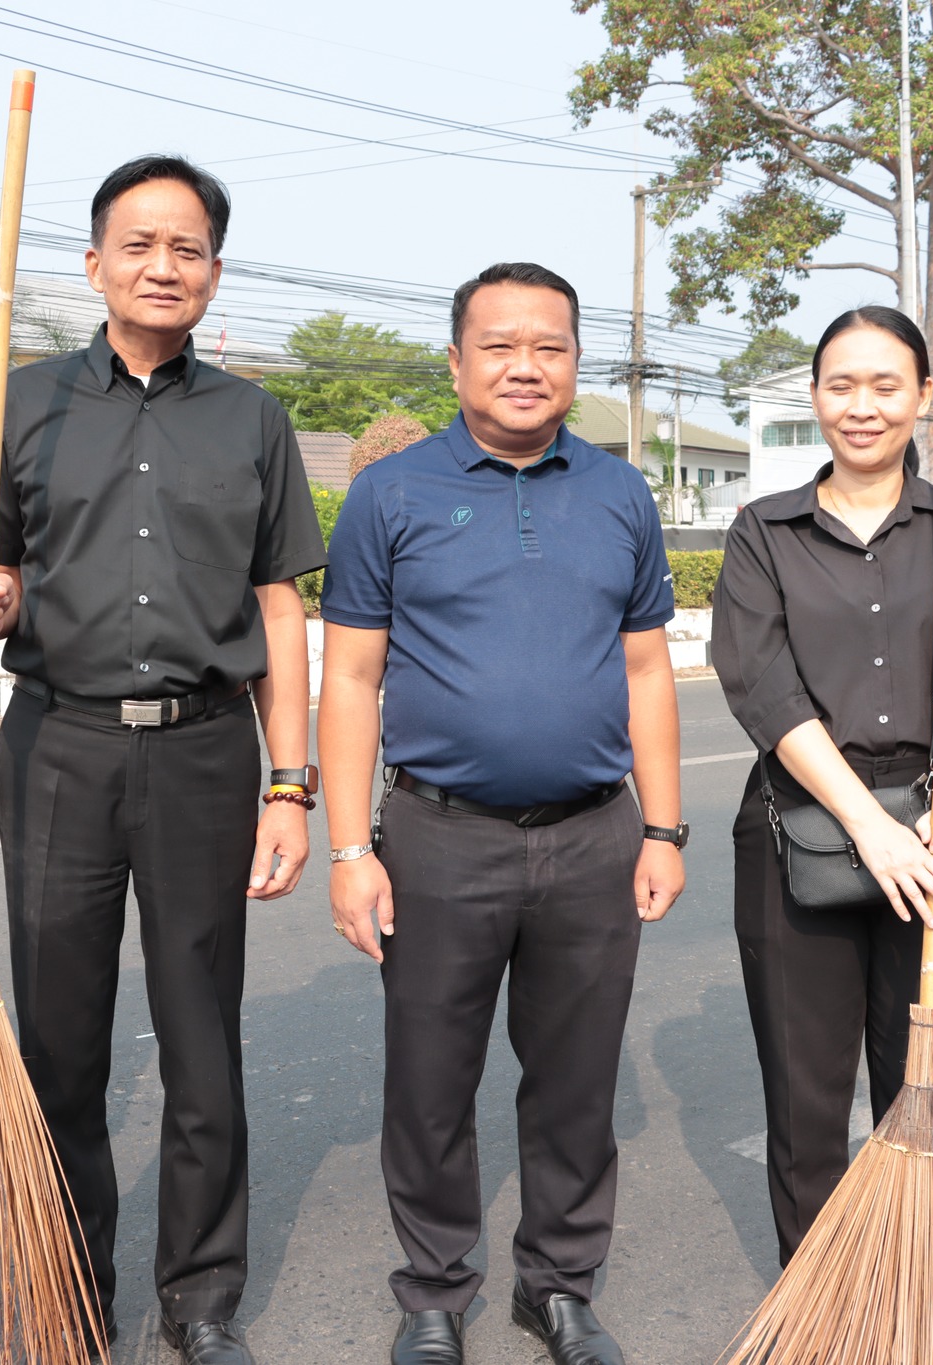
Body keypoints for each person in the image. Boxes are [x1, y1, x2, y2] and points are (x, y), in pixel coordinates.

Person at [0, 154, 325, 1365]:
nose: (164, 266)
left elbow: (278, 611)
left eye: (187, 247)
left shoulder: (252, 420)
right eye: (140, 244)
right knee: (59, 1039)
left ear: (213, 270)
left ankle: (200, 1300)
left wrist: (289, 782)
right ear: (95, 262)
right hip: (57, 745)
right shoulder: (24, 401)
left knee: (202, 1038)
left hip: (207, 752)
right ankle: (70, 1286)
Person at [317, 263, 686, 1365]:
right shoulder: (391, 494)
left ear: (574, 362)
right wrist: (350, 848)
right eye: (499, 346)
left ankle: (558, 1285)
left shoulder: (620, 493)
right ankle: (433, 1292)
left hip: (593, 832)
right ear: (456, 362)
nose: (525, 366)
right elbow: (350, 679)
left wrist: (661, 829)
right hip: (438, 836)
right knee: (430, 1078)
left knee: (576, 1078)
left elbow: (647, 670)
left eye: (549, 346)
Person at [710, 306, 933, 1267]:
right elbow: (763, 690)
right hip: (803, 825)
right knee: (805, 1094)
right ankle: (819, 1296)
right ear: (815, 397)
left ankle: (906, 1284)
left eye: (886, 385)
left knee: (919, 1085)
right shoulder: (764, 531)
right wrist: (867, 826)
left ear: (924, 397)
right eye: (841, 385)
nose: (863, 406)